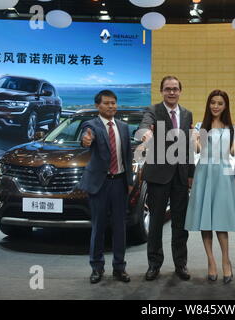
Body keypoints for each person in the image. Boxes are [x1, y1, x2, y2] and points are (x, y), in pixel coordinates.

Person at [139, 76, 195, 281]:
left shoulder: (187, 114)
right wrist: (146, 134)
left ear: (180, 91)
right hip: (158, 176)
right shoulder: (153, 111)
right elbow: (146, 126)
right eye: (167, 89)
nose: (171, 92)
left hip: (180, 176)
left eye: (175, 89)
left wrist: (191, 173)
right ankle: (154, 264)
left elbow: (188, 145)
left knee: (180, 224)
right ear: (161, 91)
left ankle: (181, 264)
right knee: (155, 223)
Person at [184, 89, 235, 284]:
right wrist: (194, 141)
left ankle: (226, 261)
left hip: (223, 175)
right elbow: (199, 150)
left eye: (220, 103)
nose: (216, 106)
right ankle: (211, 262)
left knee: (221, 221)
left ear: (225, 106)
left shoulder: (232, 128)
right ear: (208, 104)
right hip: (204, 173)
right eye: (213, 102)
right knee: (205, 221)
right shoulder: (201, 126)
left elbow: (232, 153)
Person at [78, 90, 134, 284]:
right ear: (98, 106)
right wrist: (86, 139)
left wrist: (129, 181)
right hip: (100, 185)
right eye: (107, 103)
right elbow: (86, 137)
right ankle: (96, 267)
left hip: (119, 182)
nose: (111, 106)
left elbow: (127, 156)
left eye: (114, 103)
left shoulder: (124, 127)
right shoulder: (91, 125)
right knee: (98, 227)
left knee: (120, 228)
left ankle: (120, 267)